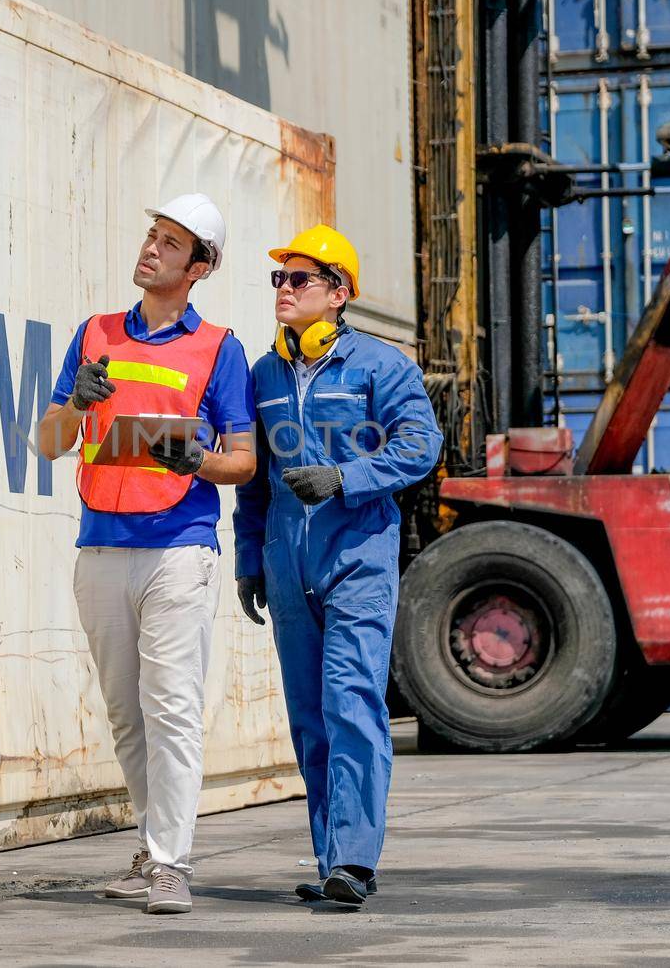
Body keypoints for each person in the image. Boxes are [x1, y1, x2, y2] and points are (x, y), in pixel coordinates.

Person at [37, 194, 257, 915]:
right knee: (128, 715)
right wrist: (74, 399)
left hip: (177, 551)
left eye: (170, 243)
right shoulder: (94, 333)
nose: (151, 249)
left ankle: (170, 862)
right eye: (151, 235)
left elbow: (244, 463)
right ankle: (153, 841)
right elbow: (49, 440)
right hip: (99, 546)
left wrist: (194, 457)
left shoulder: (219, 348)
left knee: (171, 709)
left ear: (199, 267)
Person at [232, 224, 442, 906]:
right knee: (309, 715)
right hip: (287, 566)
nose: (283, 290)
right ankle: (330, 858)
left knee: (351, 702)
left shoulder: (381, 366)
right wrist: (248, 558)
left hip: (358, 559)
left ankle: (354, 857)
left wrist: (346, 477)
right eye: (279, 279)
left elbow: (421, 445)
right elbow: (254, 481)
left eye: (299, 279)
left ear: (339, 293)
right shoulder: (261, 374)